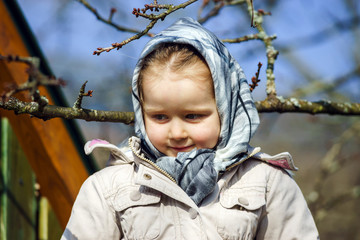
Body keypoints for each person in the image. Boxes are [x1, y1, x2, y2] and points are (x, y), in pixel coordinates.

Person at [61, 17, 319, 239]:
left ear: (224, 110)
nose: (176, 133)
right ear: (142, 113)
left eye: (193, 116)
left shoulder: (265, 182)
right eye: (160, 117)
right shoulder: (109, 186)